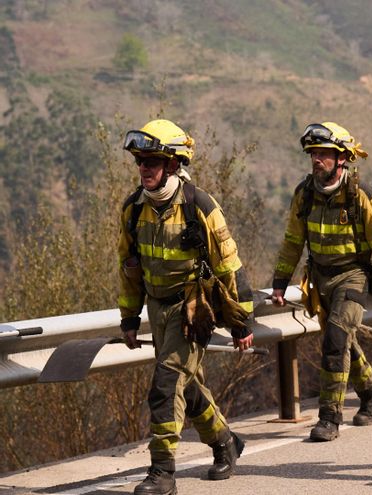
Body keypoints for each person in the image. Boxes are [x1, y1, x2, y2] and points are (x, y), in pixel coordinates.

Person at [118, 119, 254, 495]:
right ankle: (226, 442)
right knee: (187, 388)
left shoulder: (200, 206)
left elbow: (230, 266)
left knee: (165, 385)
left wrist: (242, 323)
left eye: (152, 160)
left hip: (192, 311)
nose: (144, 167)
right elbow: (129, 270)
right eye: (140, 161)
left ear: (173, 165)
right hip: (157, 312)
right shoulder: (132, 210)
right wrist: (129, 318)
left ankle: (162, 473)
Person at [271, 122, 372, 442]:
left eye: (324, 154)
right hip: (319, 279)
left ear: (342, 158)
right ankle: (370, 394)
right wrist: (280, 282)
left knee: (336, 340)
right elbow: (292, 242)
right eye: (313, 153)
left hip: (353, 276)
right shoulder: (304, 194)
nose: (316, 159)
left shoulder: (360, 195)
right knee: (343, 344)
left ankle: (329, 417)